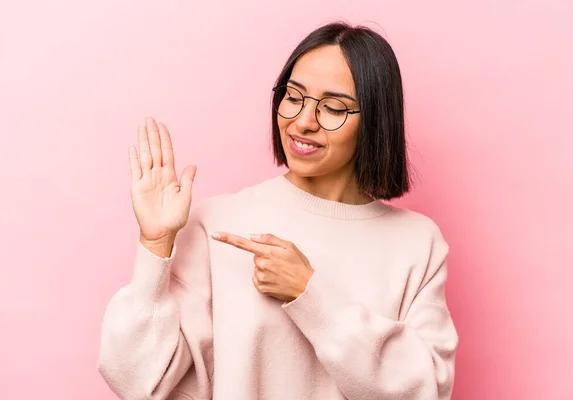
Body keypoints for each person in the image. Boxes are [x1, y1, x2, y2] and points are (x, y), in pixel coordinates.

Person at [98, 22, 459, 400]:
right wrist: (155, 245)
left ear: (374, 120)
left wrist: (310, 295)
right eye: (293, 96)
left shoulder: (417, 243)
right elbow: (138, 380)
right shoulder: (219, 224)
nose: (302, 122)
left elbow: (426, 390)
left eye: (334, 107)